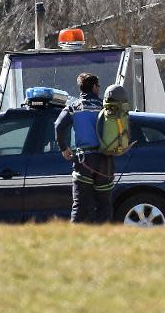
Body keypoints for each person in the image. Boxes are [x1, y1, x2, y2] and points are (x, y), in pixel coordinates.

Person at [55, 73, 115, 223]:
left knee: (80, 206)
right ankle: (104, 240)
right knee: (104, 205)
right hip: (105, 161)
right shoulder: (104, 106)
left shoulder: (74, 107)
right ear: (94, 87)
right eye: (98, 86)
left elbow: (58, 125)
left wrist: (64, 147)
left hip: (84, 162)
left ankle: (75, 241)